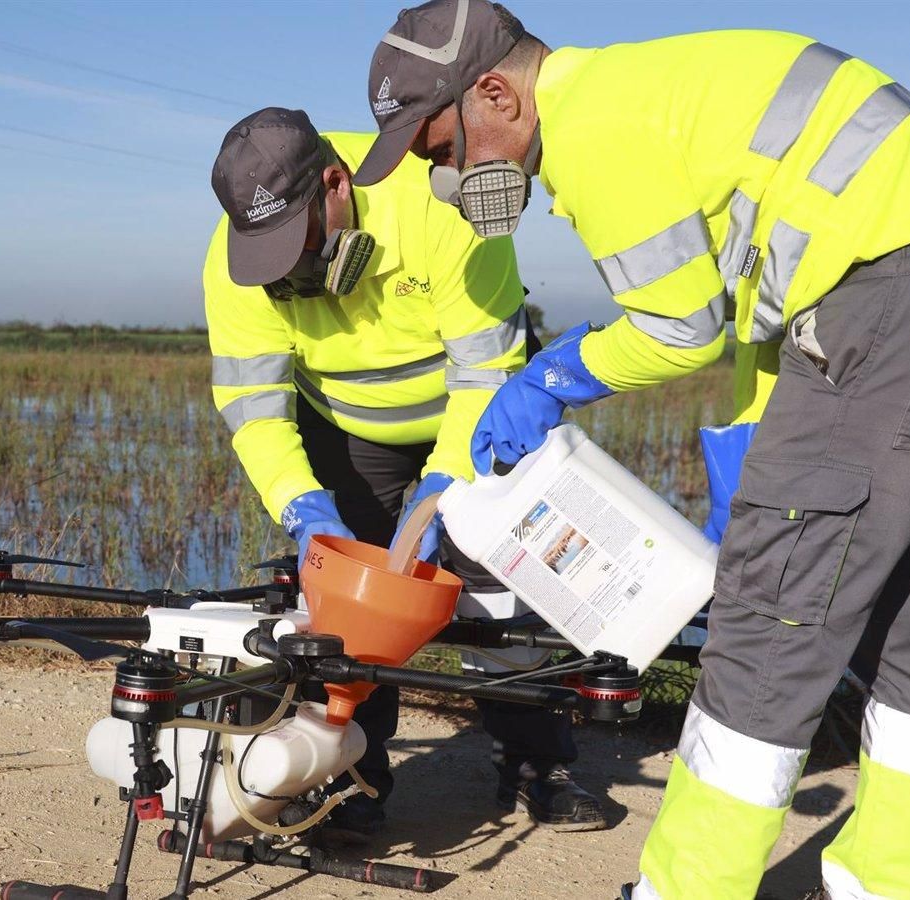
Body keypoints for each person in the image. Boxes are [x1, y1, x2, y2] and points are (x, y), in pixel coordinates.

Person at [353, 1, 910, 897]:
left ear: (496, 93)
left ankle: (687, 887)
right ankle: (886, 881)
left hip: (892, 303)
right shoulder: (651, 86)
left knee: (768, 621)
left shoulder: (593, 125)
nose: (448, 178)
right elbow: (775, 278)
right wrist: (746, 437)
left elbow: (679, 328)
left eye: (442, 150)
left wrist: (551, 378)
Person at [204, 106, 610, 843]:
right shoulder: (241, 260)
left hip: (477, 415)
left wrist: (442, 485)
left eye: (301, 251)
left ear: (335, 184)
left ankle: (535, 764)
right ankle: (352, 777)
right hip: (349, 430)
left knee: (505, 587)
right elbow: (252, 404)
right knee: (346, 610)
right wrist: (302, 507)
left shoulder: (438, 201)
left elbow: (485, 370)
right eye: (272, 267)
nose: (290, 277)